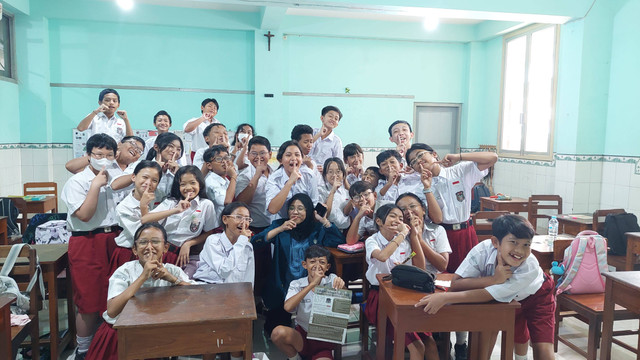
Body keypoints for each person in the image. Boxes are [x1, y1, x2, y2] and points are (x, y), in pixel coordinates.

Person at [415, 215, 555, 360]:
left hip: (538, 295)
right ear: (495, 242)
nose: (519, 251)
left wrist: (446, 297)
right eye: (513, 242)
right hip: (505, 298)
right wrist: (493, 279)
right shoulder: (482, 251)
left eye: (526, 245)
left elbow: (488, 294)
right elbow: (456, 284)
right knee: (495, 328)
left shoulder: (529, 266)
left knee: (543, 349)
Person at [406, 143, 497, 358]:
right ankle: (441, 338)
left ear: (433, 155)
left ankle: (462, 343)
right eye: (413, 162)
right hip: (442, 236)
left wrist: (459, 155)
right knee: (444, 286)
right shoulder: (420, 187)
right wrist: (427, 187)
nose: (419, 162)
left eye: (421, 156)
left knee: (469, 284)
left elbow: (492, 157)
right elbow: (437, 219)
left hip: (466, 233)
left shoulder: (459, 170)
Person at [85, 223, 193, 360]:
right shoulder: (125, 271)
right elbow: (112, 310)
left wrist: (171, 278)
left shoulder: (172, 270)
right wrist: (143, 277)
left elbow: (195, 297)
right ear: (135, 250)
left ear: (165, 247)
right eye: (143, 243)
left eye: (155, 242)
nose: (149, 247)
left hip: (159, 336)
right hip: (120, 336)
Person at [60, 133, 122, 359]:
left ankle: (107, 347)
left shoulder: (114, 176)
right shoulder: (76, 182)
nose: (104, 159)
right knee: (88, 301)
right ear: (88, 156)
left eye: (109, 154)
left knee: (112, 295)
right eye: (98, 154)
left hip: (113, 239)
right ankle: (84, 351)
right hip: (87, 241)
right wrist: (95, 185)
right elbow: (85, 215)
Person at [251, 193, 345, 336]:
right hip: (283, 282)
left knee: (313, 330)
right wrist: (280, 229)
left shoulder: (316, 228)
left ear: (308, 211)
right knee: (274, 330)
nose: (295, 212)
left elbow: (338, 241)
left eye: (300, 208)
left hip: (309, 281)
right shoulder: (280, 225)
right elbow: (255, 242)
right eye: (292, 208)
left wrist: (324, 221)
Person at [363, 204, 437, 360]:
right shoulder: (372, 240)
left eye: (400, 218)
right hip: (381, 298)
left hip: (403, 295)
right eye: (392, 216)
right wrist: (402, 234)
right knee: (418, 346)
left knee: (430, 341)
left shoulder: (405, 242)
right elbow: (382, 256)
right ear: (379, 221)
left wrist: (414, 236)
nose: (397, 220)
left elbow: (420, 266)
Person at [270, 245, 346, 360]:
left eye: (322, 262)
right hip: (302, 336)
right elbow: (288, 307)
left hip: (324, 339)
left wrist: (342, 286)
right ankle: (295, 358)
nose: (317, 266)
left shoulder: (331, 280)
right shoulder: (297, 284)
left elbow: (345, 302)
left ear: (327, 267)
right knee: (277, 333)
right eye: (312, 262)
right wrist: (312, 285)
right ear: (305, 265)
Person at [142, 165, 217, 275]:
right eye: (183, 184)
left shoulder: (206, 205)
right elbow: (145, 219)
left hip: (186, 256)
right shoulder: (171, 202)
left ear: (200, 184)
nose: (188, 188)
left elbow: (210, 232)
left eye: (192, 183)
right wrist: (175, 210)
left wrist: (189, 243)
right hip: (163, 252)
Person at [110, 160, 163, 273]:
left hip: (154, 252)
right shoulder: (124, 207)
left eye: (154, 180)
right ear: (133, 177)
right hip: (130, 253)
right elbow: (142, 235)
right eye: (144, 177)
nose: (148, 183)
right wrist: (143, 207)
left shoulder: (160, 197)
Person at [193, 202, 254, 285]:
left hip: (232, 293)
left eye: (247, 219)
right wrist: (241, 241)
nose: (243, 222)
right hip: (208, 289)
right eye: (239, 217)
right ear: (225, 219)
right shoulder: (213, 240)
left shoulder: (247, 246)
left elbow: (248, 279)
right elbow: (224, 271)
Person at [375, 150, 443, 223]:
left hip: (421, 222)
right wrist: (389, 183)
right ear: (381, 171)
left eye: (392, 162)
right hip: (394, 227)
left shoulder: (415, 178)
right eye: (384, 164)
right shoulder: (380, 187)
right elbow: (377, 200)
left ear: (401, 165)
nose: (389, 166)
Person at [395, 193, 450, 274]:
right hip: (409, 277)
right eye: (402, 209)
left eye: (412, 206)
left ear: (423, 209)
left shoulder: (437, 230)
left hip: (435, 278)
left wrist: (420, 239)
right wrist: (413, 236)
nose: (408, 211)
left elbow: (442, 266)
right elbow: (417, 268)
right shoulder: (397, 235)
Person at [265, 140, 319, 220]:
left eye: (297, 155)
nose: (293, 158)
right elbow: (272, 209)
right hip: (281, 223)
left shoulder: (309, 175)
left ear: (302, 158)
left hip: (304, 222)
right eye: (288, 155)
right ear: (280, 160)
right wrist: (290, 182)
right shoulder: (274, 179)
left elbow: (314, 204)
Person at [235, 136, 273, 232]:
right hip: (254, 227)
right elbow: (242, 203)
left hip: (274, 224)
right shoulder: (244, 176)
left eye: (262, 153)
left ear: (270, 154)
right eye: (254, 153)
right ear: (248, 155)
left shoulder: (275, 173)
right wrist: (256, 176)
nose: (258, 157)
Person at [144, 132, 184, 205]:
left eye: (178, 149)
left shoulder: (181, 170)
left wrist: (179, 174)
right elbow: (116, 185)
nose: (175, 151)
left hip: (172, 212)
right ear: (156, 147)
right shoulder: (143, 166)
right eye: (171, 146)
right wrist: (153, 170)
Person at [203, 145, 237, 221]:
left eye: (226, 158)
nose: (224, 162)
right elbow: (227, 201)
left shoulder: (226, 180)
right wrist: (234, 176)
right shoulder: (210, 181)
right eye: (219, 159)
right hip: (217, 225)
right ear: (209, 165)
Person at [318, 157, 352, 231]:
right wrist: (332, 191)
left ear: (343, 174)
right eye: (330, 172)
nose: (334, 175)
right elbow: (325, 214)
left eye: (338, 171)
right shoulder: (320, 190)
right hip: (327, 231)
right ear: (325, 175)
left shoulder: (346, 192)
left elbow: (347, 212)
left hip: (345, 230)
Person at [309, 106, 343, 172]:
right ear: (322, 118)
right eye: (330, 116)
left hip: (323, 174)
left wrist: (326, 169)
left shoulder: (336, 141)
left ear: (337, 124)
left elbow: (339, 163)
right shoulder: (311, 132)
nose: (333, 119)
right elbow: (301, 147)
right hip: (306, 169)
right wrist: (319, 134)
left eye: (336, 119)